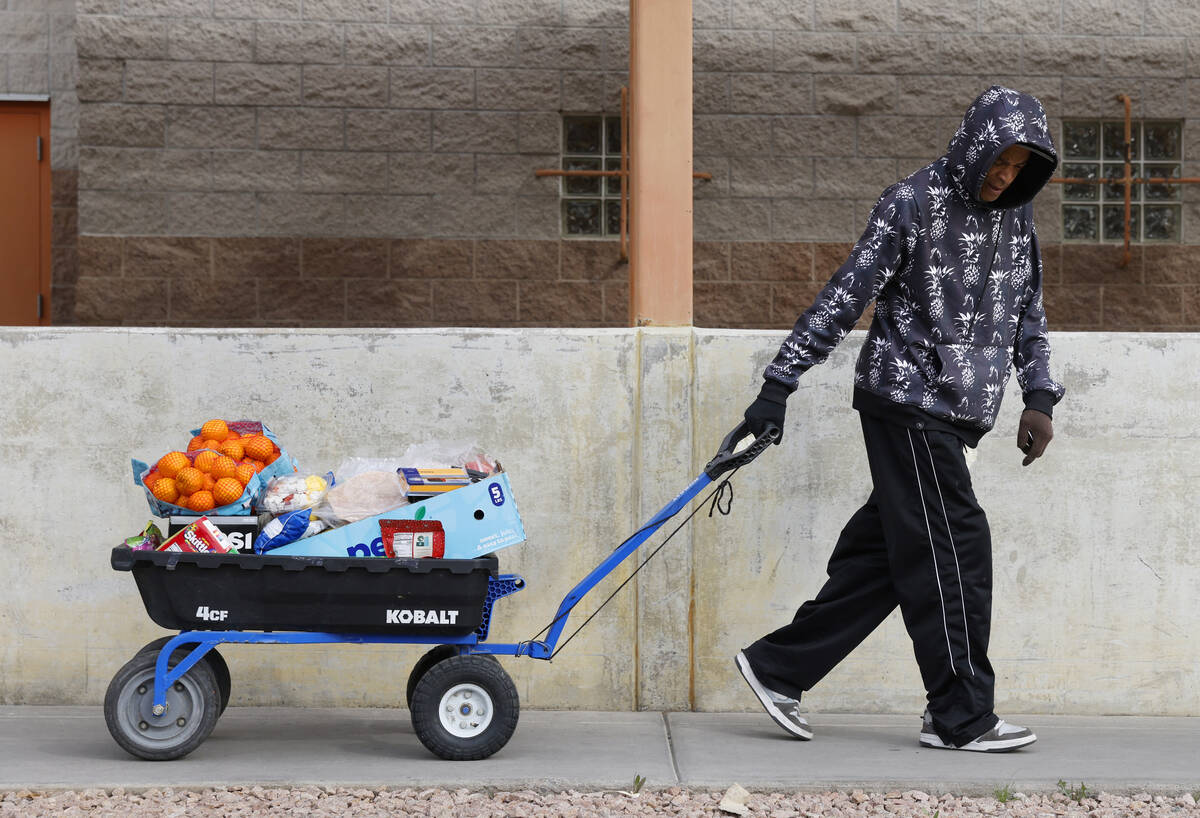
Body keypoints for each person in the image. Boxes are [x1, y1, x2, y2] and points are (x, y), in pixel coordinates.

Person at [736, 85, 1064, 753]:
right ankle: (960, 716)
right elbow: (844, 294)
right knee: (955, 550)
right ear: (973, 147)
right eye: (998, 162)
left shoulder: (1017, 221)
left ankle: (777, 667)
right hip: (908, 402)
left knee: (892, 560)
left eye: (1020, 167)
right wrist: (779, 384)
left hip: (963, 418)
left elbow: (1028, 312)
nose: (1005, 178)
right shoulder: (912, 203)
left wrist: (1039, 395)